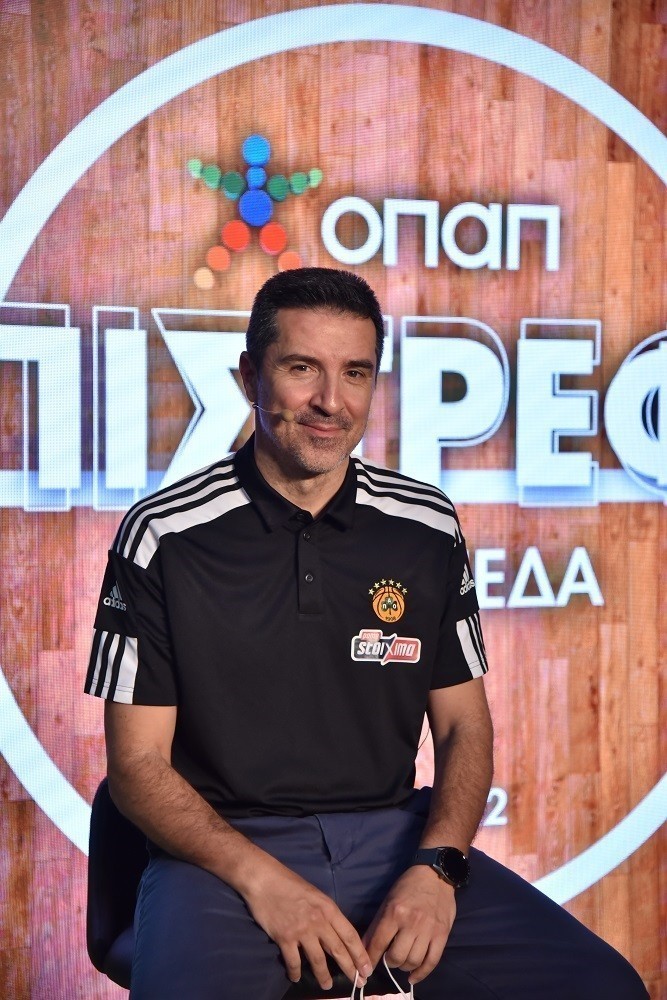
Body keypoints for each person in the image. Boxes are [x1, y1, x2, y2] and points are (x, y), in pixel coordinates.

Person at [85, 267, 647, 999]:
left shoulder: (425, 526)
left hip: (392, 842)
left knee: (605, 988)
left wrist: (438, 866)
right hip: (222, 856)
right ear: (249, 376)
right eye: (301, 369)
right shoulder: (163, 535)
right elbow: (136, 766)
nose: (331, 401)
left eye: (355, 373)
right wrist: (264, 882)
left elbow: (462, 728)